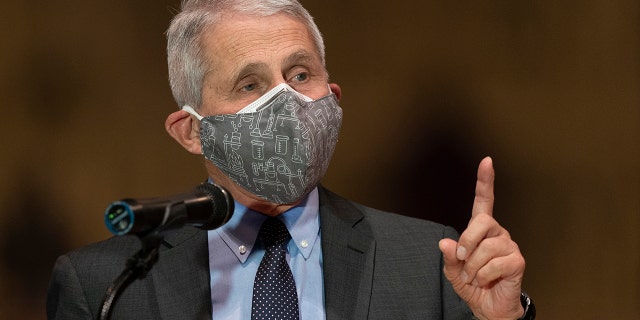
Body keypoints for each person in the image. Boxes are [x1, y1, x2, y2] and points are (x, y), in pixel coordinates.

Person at [47, 0, 535, 319]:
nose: (286, 101)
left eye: (300, 75)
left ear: (333, 99)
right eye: (250, 84)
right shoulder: (104, 286)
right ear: (192, 131)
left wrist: (505, 319)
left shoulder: (432, 264)